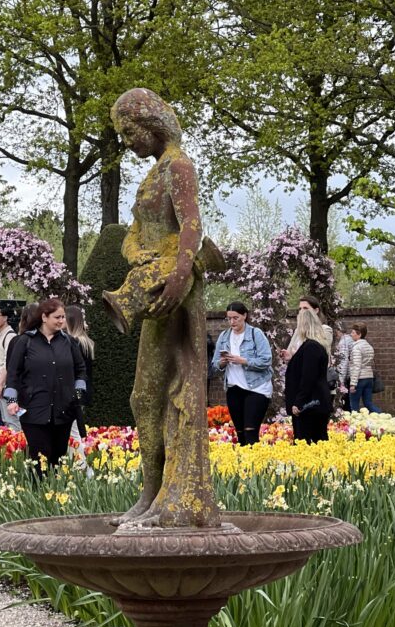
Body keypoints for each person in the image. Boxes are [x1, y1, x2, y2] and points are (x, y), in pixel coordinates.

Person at [103, 87, 224, 528]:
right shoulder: (153, 173)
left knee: (175, 391)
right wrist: (136, 254)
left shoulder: (179, 166)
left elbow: (192, 225)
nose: (128, 140)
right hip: (155, 285)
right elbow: (134, 231)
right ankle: (152, 492)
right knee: (143, 396)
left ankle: (175, 497)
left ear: (150, 123)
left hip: (174, 289)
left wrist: (178, 277)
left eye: (130, 130)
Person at [4, 297, 87, 475]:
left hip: (63, 410)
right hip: (33, 410)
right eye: (57, 317)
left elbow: (81, 369)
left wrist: (78, 393)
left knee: (57, 458)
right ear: (44, 317)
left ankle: (55, 497)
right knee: (40, 457)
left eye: (63, 317)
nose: (61, 321)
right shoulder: (25, 342)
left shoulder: (70, 343)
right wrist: (11, 400)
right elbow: (13, 373)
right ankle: (38, 496)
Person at [211, 301, 272, 445]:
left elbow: (266, 360)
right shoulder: (224, 337)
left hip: (256, 388)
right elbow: (214, 365)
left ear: (244, 316)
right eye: (229, 318)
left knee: (250, 431)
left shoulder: (255, 334)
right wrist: (223, 362)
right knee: (240, 434)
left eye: (235, 318)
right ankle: (244, 466)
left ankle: (255, 464)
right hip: (234, 388)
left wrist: (243, 360)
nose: (232, 322)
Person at [284, 308, 332, 443]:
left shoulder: (311, 347)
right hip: (314, 401)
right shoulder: (315, 346)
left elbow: (308, 377)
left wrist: (299, 402)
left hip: (310, 404)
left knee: (306, 441)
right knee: (317, 440)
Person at [65, 304, 94, 461]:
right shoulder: (86, 341)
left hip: (74, 392)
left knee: (73, 430)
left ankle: (81, 464)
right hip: (82, 391)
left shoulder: (75, 342)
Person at [0, 304, 20, 431]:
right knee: (6, 419)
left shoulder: (9, 336)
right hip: (0, 383)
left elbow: (8, 364)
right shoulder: (1, 335)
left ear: (5, 317)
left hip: (6, 386)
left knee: (12, 419)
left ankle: (19, 448)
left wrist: (0, 384)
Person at [280, 295, 334, 361]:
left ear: (316, 310)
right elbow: (290, 351)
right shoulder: (298, 331)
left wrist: (296, 354)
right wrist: (288, 356)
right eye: (300, 309)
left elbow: (318, 354)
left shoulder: (325, 330)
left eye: (305, 308)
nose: (302, 311)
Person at [348, 322, 381, 413]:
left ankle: (354, 424)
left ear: (359, 334)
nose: (351, 334)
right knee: (368, 403)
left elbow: (356, 366)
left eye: (353, 332)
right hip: (369, 378)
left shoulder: (356, 348)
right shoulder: (369, 347)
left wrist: (353, 384)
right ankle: (381, 415)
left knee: (354, 404)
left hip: (359, 379)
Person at [335, 322, 355, 412]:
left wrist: (341, 379)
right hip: (352, 373)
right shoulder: (349, 339)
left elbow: (344, 361)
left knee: (347, 403)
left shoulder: (344, 342)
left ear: (339, 331)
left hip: (348, 374)